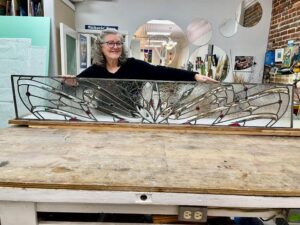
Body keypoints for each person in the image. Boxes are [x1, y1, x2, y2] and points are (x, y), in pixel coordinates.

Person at [76, 29, 218, 83]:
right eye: (110, 43)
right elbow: (76, 84)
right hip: (102, 119)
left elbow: (162, 72)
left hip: (131, 119)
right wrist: (69, 82)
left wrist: (194, 75)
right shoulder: (95, 69)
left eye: (118, 43)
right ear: (101, 47)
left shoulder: (133, 65)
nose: (115, 47)